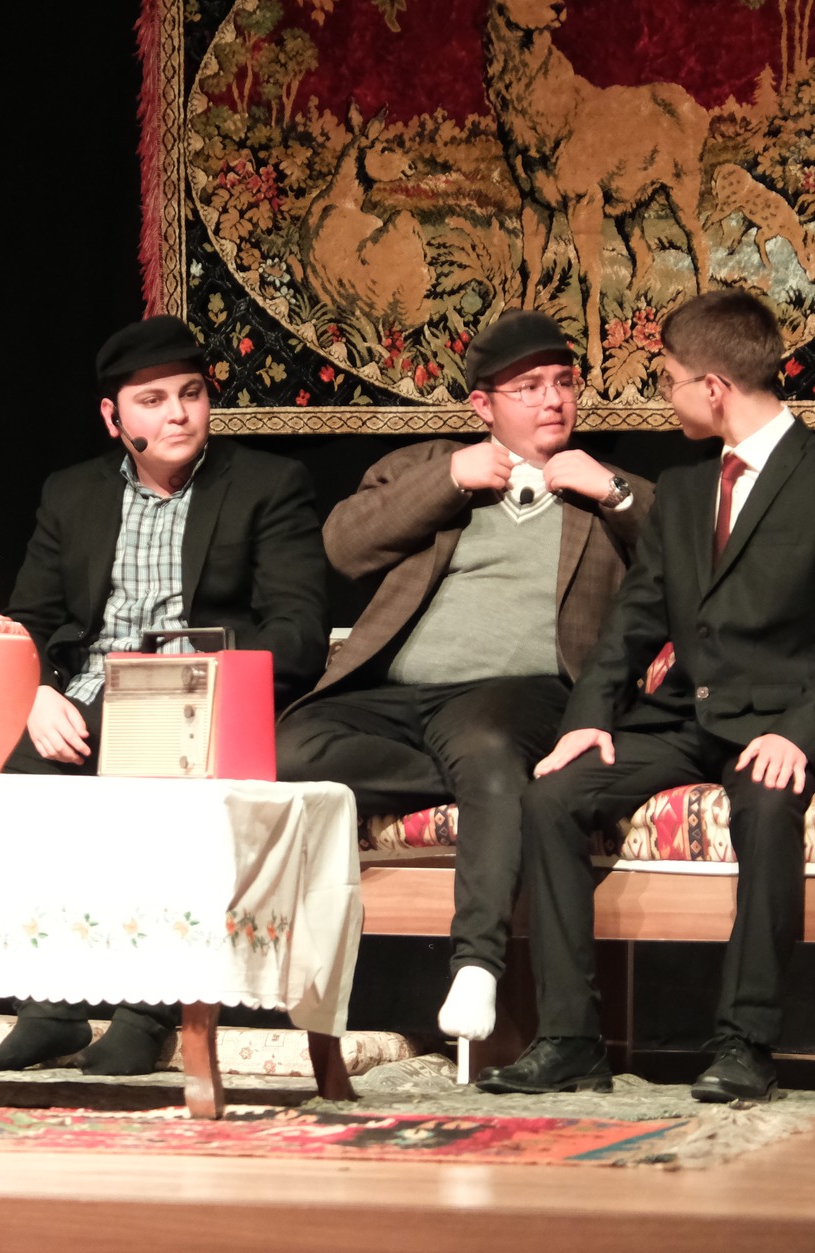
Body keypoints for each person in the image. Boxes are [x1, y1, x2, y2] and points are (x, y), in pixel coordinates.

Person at [482, 288, 815, 1103]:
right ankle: (569, 1039)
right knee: (553, 795)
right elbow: (632, 625)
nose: (665, 396)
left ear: (713, 387)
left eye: (669, 380)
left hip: (778, 723)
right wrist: (586, 720)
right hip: (687, 717)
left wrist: (799, 733)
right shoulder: (682, 491)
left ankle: (745, 1042)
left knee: (766, 806)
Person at [277, 309, 652, 1045]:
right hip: (398, 697)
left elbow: (694, 556)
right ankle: (489, 783)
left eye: (564, 383)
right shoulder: (429, 465)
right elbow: (344, 545)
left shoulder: (604, 486)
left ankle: (476, 963)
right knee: (288, 749)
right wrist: (450, 478)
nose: (553, 400)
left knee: (485, 742)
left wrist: (613, 491)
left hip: (518, 694)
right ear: (483, 404)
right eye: (529, 387)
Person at [0, 313, 330, 1075]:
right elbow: (30, 620)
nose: (178, 414)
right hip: (86, 698)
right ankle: (51, 1006)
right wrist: (36, 691)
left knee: (155, 791)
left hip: (202, 703)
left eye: (191, 394)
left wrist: (208, 675)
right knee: (15, 784)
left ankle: (149, 1010)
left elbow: (298, 629)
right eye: (153, 400)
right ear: (113, 417)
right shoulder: (72, 493)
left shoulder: (268, 484)